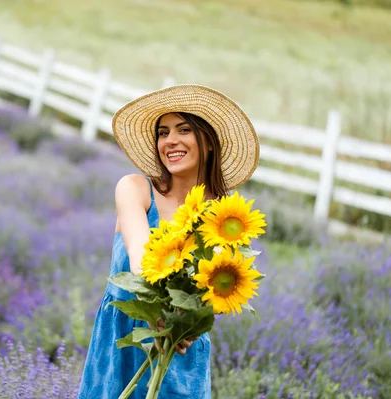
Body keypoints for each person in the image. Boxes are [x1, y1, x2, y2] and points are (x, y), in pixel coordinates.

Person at [77, 84, 260, 399]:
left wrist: (187, 324)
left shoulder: (224, 222)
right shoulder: (135, 189)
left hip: (179, 355)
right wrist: (161, 311)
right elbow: (140, 255)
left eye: (184, 129)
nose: (170, 141)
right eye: (163, 133)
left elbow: (214, 296)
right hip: (125, 340)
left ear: (210, 142)